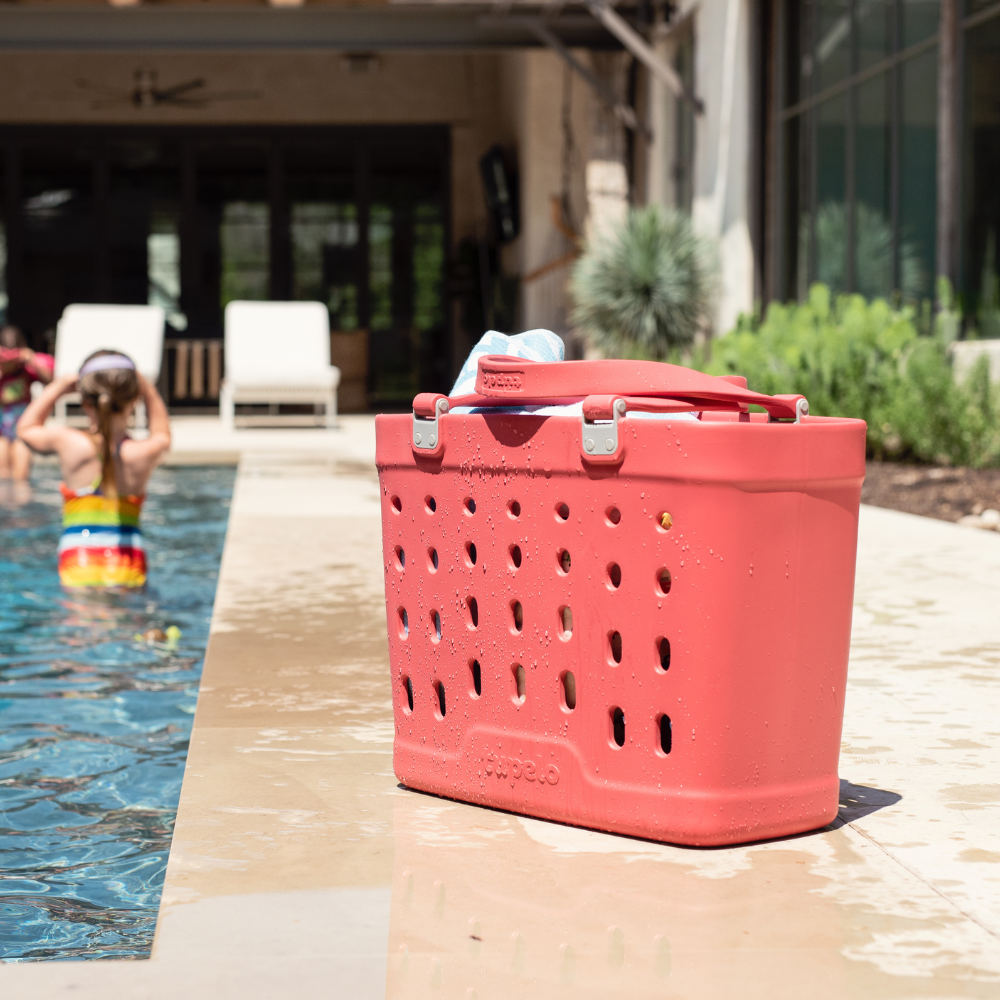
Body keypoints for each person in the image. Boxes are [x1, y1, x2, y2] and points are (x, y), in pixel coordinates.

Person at [17, 350, 171, 589]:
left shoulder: (70, 443)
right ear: (135, 399)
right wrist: (149, 389)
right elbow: (163, 435)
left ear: (84, 401)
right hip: (127, 564)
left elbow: (26, 429)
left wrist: (58, 387)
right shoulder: (141, 453)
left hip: (78, 563)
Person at [0, 325, 54, 480]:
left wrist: (31, 359)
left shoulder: (27, 367)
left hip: (21, 422)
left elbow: (50, 380)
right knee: (2, 474)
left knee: (21, 475)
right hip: (2, 425)